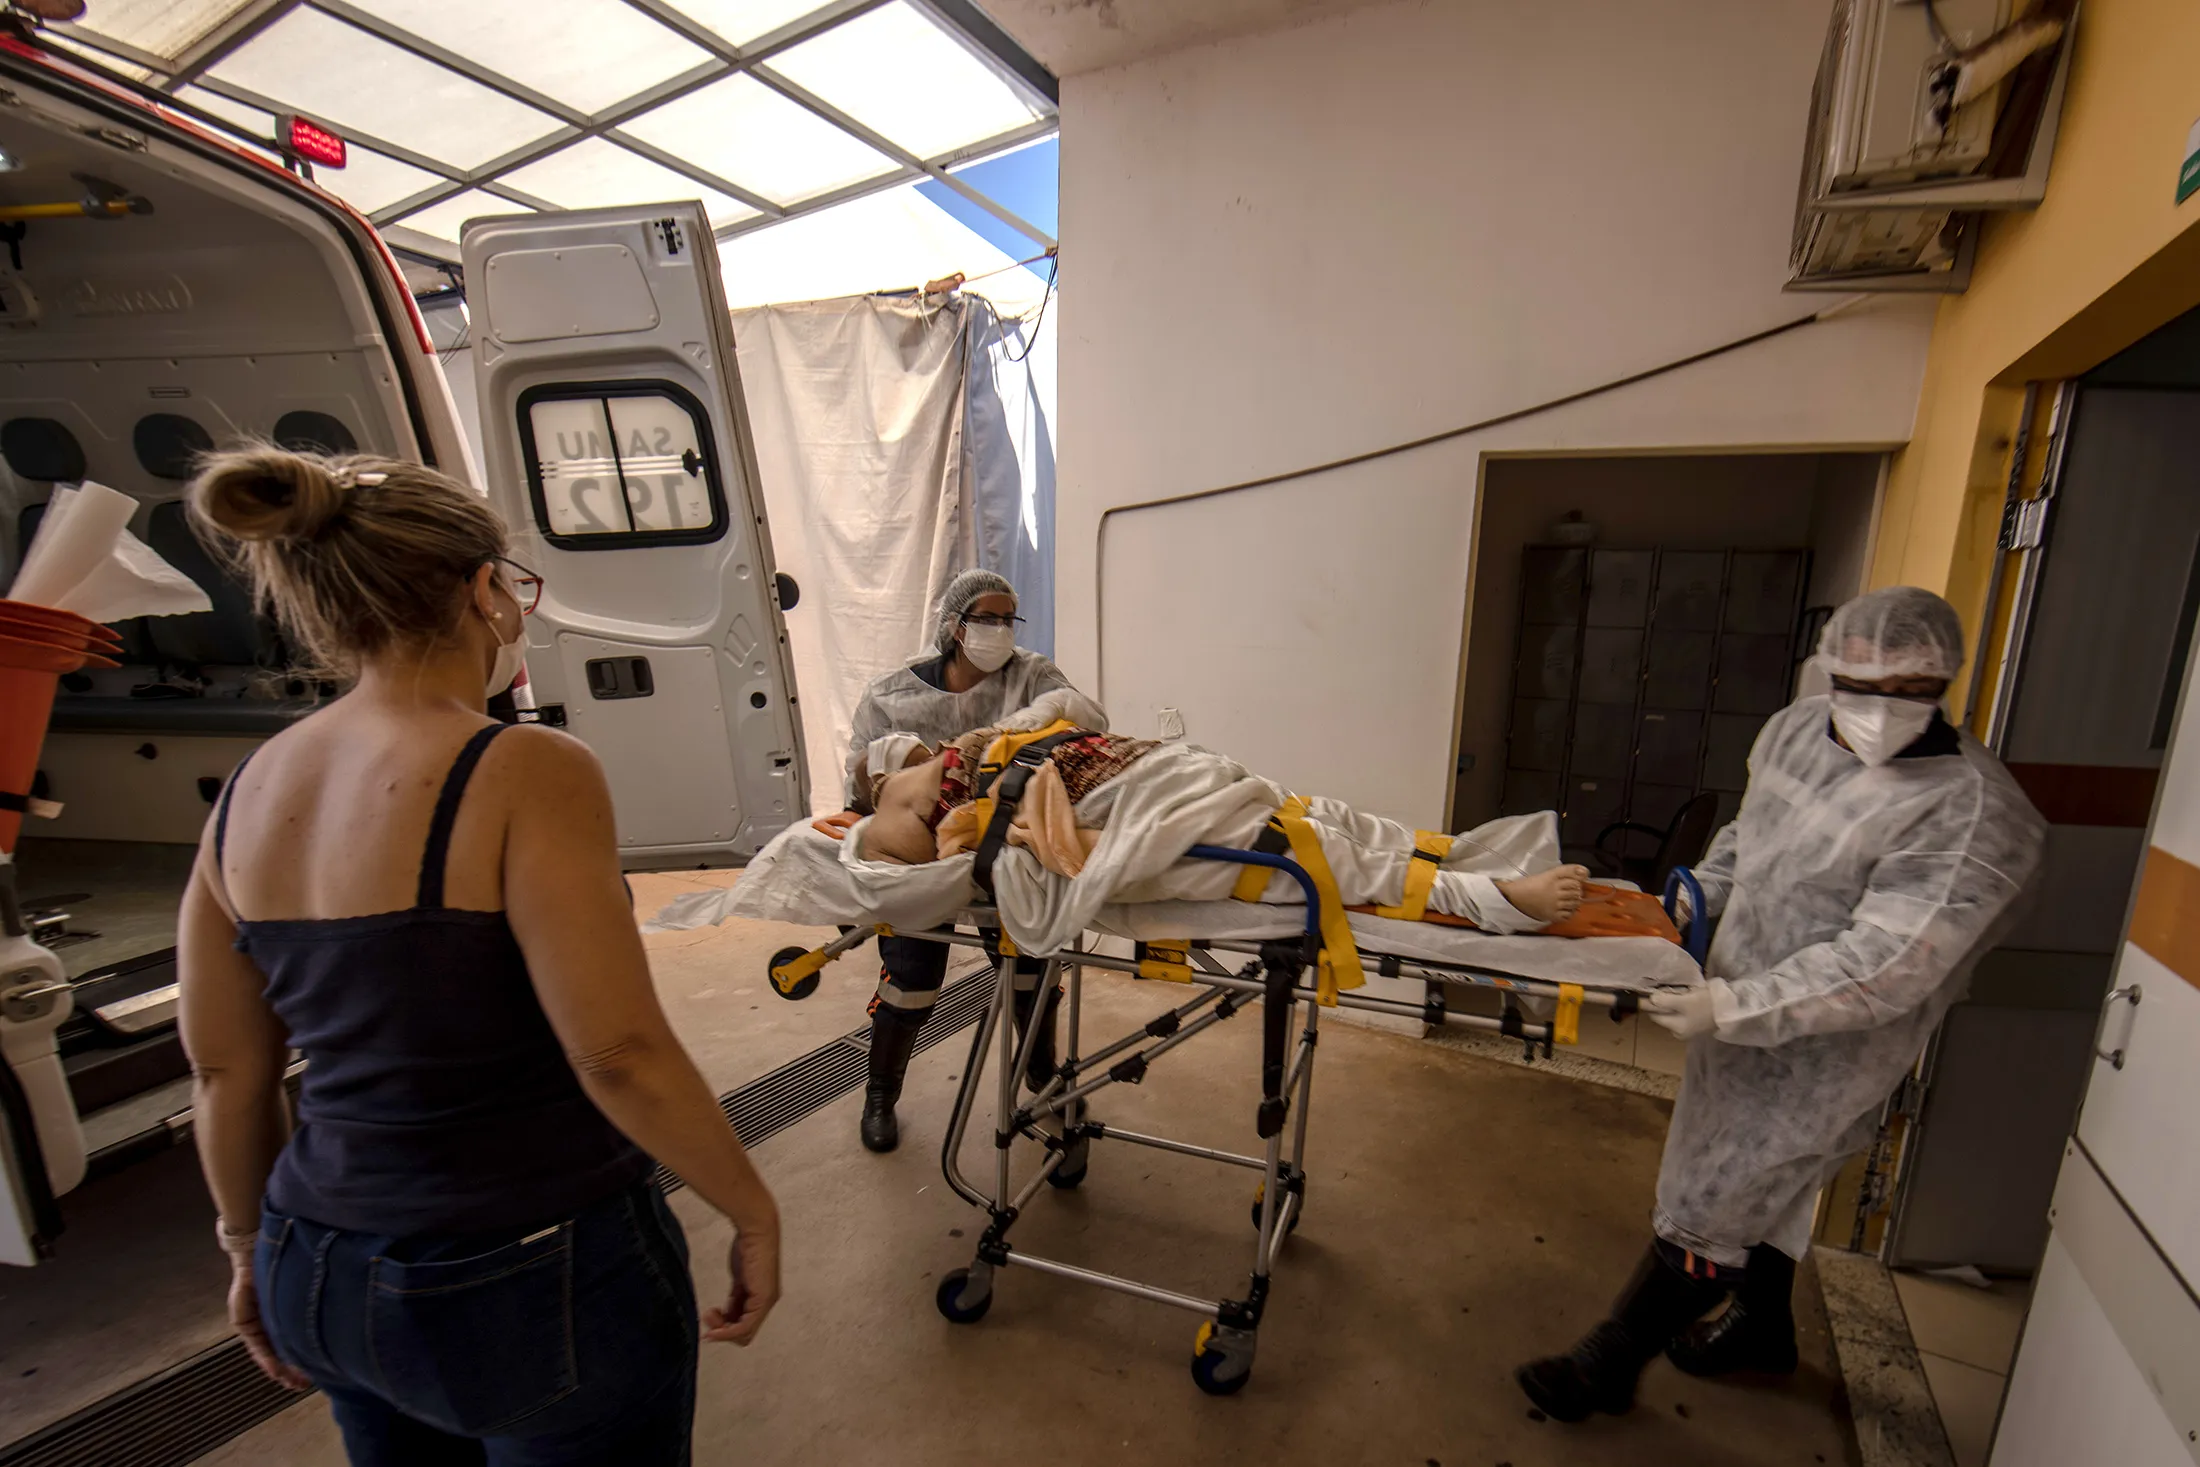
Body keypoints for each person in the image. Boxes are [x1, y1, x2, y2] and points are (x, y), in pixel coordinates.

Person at [177, 446, 781, 1465]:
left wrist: (247, 1249)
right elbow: (618, 1053)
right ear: (480, 589)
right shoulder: (522, 767)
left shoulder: (250, 789)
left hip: (314, 1261)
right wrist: (750, 1208)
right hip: (525, 1268)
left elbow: (227, 1073)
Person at [1515, 586, 2046, 1423]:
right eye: (1857, 685)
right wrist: (1697, 899)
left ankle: (1606, 1364)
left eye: (1906, 690)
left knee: (1721, 1192)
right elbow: (1752, 835)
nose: (1876, 709)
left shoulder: (1974, 815)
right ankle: (1764, 1326)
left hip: (1831, 1042)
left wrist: (1734, 1005)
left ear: (1943, 681)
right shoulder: (1800, 729)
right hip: (1739, 991)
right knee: (1767, 1187)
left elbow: (1886, 966)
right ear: (1828, 670)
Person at [856, 721, 1595, 929]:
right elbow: (1015, 858)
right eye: (920, 843)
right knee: (1308, 850)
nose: (930, 821)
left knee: (1321, 817)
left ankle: (1466, 855)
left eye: (902, 813)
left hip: (1166, 775)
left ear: (885, 776)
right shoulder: (966, 823)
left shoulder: (976, 739)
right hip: (1149, 823)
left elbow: (1080, 715)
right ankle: (1494, 901)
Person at [840, 570, 1096, 1154]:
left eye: (1009, 619)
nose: (1000, 630)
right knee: (912, 979)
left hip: (1008, 846)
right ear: (955, 627)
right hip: (922, 854)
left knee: (1032, 971)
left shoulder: (1033, 678)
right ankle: (880, 1095)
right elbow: (860, 779)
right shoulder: (891, 695)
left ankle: (1043, 1079)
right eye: (987, 618)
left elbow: (1075, 721)